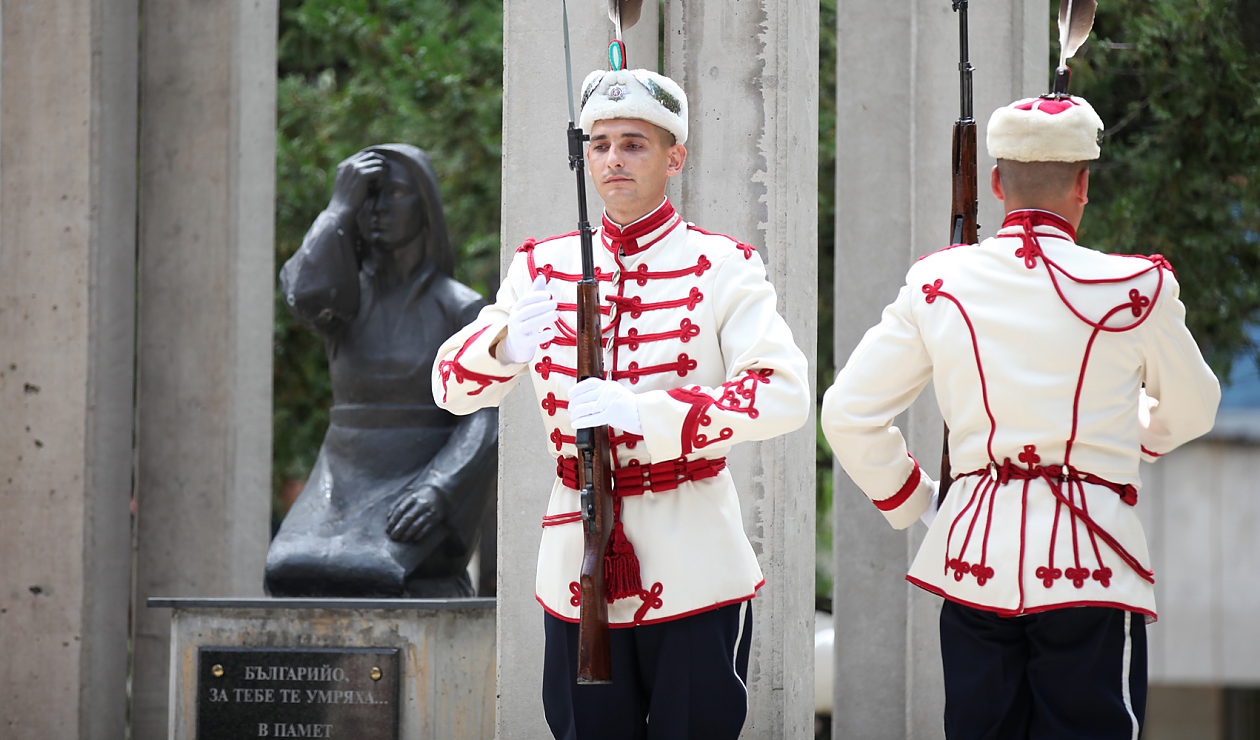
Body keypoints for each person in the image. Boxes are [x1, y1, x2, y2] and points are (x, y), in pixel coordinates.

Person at [821, 95, 1219, 739]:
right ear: (1084, 184)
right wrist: (1132, 443)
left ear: (998, 183)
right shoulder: (1136, 286)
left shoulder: (936, 283)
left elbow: (846, 413)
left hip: (974, 556)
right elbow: (1195, 408)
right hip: (1091, 557)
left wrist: (920, 502)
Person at [432, 68, 810, 740]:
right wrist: (506, 346)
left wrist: (646, 414)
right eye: (599, 143)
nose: (612, 159)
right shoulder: (540, 267)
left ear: (675, 157)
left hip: (694, 560)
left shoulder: (723, 265)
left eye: (634, 143)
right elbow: (449, 389)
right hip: (578, 560)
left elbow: (783, 395)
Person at [266, 144, 497, 598]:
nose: (375, 209)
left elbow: (486, 414)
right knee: (290, 569)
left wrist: (439, 490)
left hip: (419, 475)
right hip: (343, 475)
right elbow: (303, 294)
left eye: (391, 193)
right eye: (366, 196)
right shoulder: (346, 304)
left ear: (423, 204)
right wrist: (338, 207)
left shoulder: (459, 307)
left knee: (369, 570)